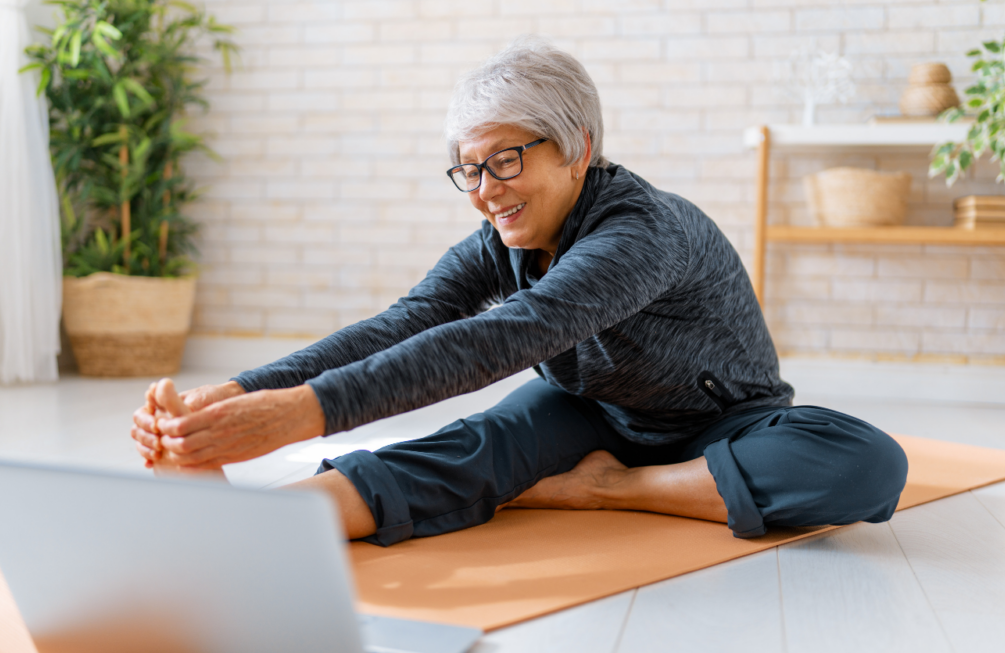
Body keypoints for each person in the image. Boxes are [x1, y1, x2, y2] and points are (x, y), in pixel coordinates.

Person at [132, 38, 909, 547]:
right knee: (476, 447)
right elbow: (408, 324)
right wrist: (234, 395)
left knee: (868, 463)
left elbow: (503, 338)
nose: (483, 190)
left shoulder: (642, 232)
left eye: (505, 160)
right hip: (590, 411)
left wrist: (299, 415)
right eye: (468, 169)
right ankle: (245, 527)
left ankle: (606, 491)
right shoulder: (504, 235)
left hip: (724, 421)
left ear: (577, 149)